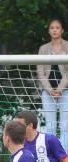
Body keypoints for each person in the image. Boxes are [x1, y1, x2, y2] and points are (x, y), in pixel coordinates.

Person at [37, 17, 68, 151]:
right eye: (52, 28)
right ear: (49, 31)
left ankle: (65, 156)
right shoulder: (43, 49)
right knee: (50, 126)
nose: (54, 30)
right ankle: (51, 155)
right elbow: (40, 72)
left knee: (65, 125)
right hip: (47, 92)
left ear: (62, 30)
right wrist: (50, 90)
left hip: (65, 90)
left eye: (57, 28)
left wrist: (60, 89)